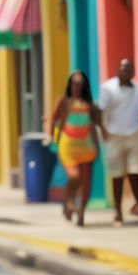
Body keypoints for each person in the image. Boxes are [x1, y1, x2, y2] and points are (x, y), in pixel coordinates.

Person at [98, 58, 138, 226]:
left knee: (136, 171)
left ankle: (137, 203)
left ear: (133, 72)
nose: (127, 72)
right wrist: (103, 132)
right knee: (116, 174)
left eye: (130, 69)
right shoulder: (107, 88)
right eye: (124, 68)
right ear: (118, 70)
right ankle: (118, 211)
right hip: (114, 135)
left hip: (136, 134)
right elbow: (101, 112)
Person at [50, 71, 100, 226]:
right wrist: (52, 138)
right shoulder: (64, 102)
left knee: (85, 182)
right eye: (74, 83)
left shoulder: (89, 105)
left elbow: (95, 125)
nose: (77, 86)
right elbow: (55, 119)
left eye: (80, 83)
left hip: (86, 145)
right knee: (74, 177)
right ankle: (69, 200)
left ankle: (81, 212)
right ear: (70, 85)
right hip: (68, 145)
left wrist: (97, 144)